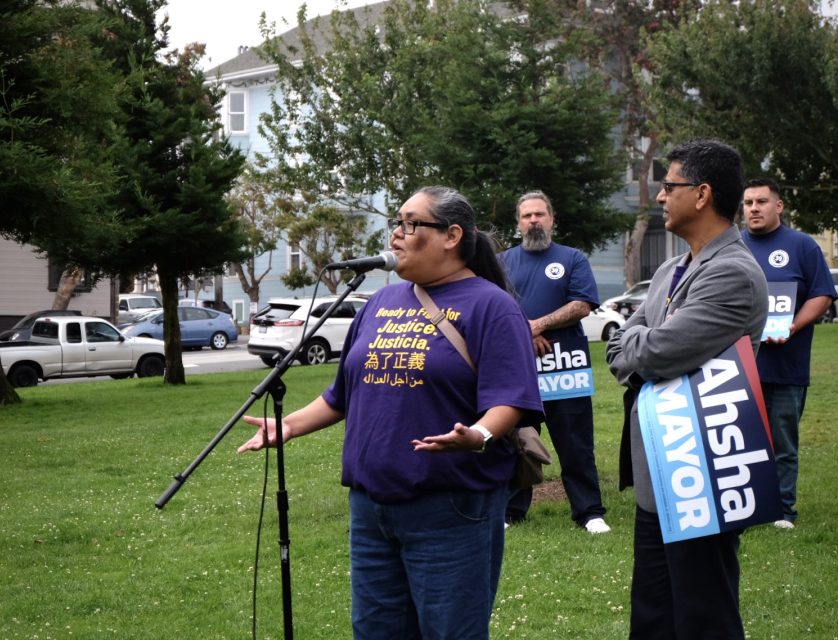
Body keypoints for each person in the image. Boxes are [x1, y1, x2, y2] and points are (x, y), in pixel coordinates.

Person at [239, 186, 543, 639]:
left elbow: (511, 400)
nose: (397, 234)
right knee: (376, 630)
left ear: (452, 235)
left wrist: (477, 435)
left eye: (411, 223)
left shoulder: (492, 307)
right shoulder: (380, 303)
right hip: (371, 509)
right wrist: (288, 426)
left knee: (450, 632)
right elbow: (342, 394)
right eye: (396, 223)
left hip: (450, 506)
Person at [606, 140, 768, 639]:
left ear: (701, 195)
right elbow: (618, 347)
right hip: (664, 469)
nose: (659, 196)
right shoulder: (670, 271)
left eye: (668, 186)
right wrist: (641, 340)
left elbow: (651, 353)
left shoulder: (733, 274)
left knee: (703, 616)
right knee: (653, 615)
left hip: (705, 472)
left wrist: (642, 340)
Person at [499, 190, 610, 534]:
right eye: (526, 216)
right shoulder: (502, 261)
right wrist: (525, 332)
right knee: (517, 440)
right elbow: (494, 307)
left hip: (565, 368)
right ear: (518, 223)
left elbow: (582, 305)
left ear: (552, 219)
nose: (533, 220)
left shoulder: (573, 258)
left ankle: (589, 512)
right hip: (519, 368)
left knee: (576, 442)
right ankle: (511, 512)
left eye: (539, 215)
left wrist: (539, 324)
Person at [741, 177, 836, 529]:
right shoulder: (731, 246)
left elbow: (822, 295)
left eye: (761, 201)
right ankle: (745, 507)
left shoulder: (801, 246)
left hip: (786, 365)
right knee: (742, 439)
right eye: (748, 202)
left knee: (782, 439)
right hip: (736, 365)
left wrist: (791, 327)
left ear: (778, 206)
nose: (754, 208)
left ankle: (782, 510)